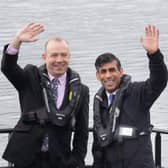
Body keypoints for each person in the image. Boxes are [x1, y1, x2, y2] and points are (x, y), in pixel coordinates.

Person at [1, 23, 89, 168]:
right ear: (44, 57)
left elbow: (82, 131)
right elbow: (7, 68)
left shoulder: (81, 90)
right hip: (26, 159)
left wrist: (76, 161)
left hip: (60, 160)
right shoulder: (30, 76)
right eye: (54, 55)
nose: (59, 60)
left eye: (63, 55)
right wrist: (17, 40)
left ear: (69, 57)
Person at [92, 25, 168, 168]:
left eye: (112, 70)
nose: (108, 76)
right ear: (98, 75)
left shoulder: (138, 92)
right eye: (103, 71)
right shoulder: (99, 102)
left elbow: (159, 81)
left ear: (121, 71)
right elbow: (98, 146)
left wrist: (154, 54)